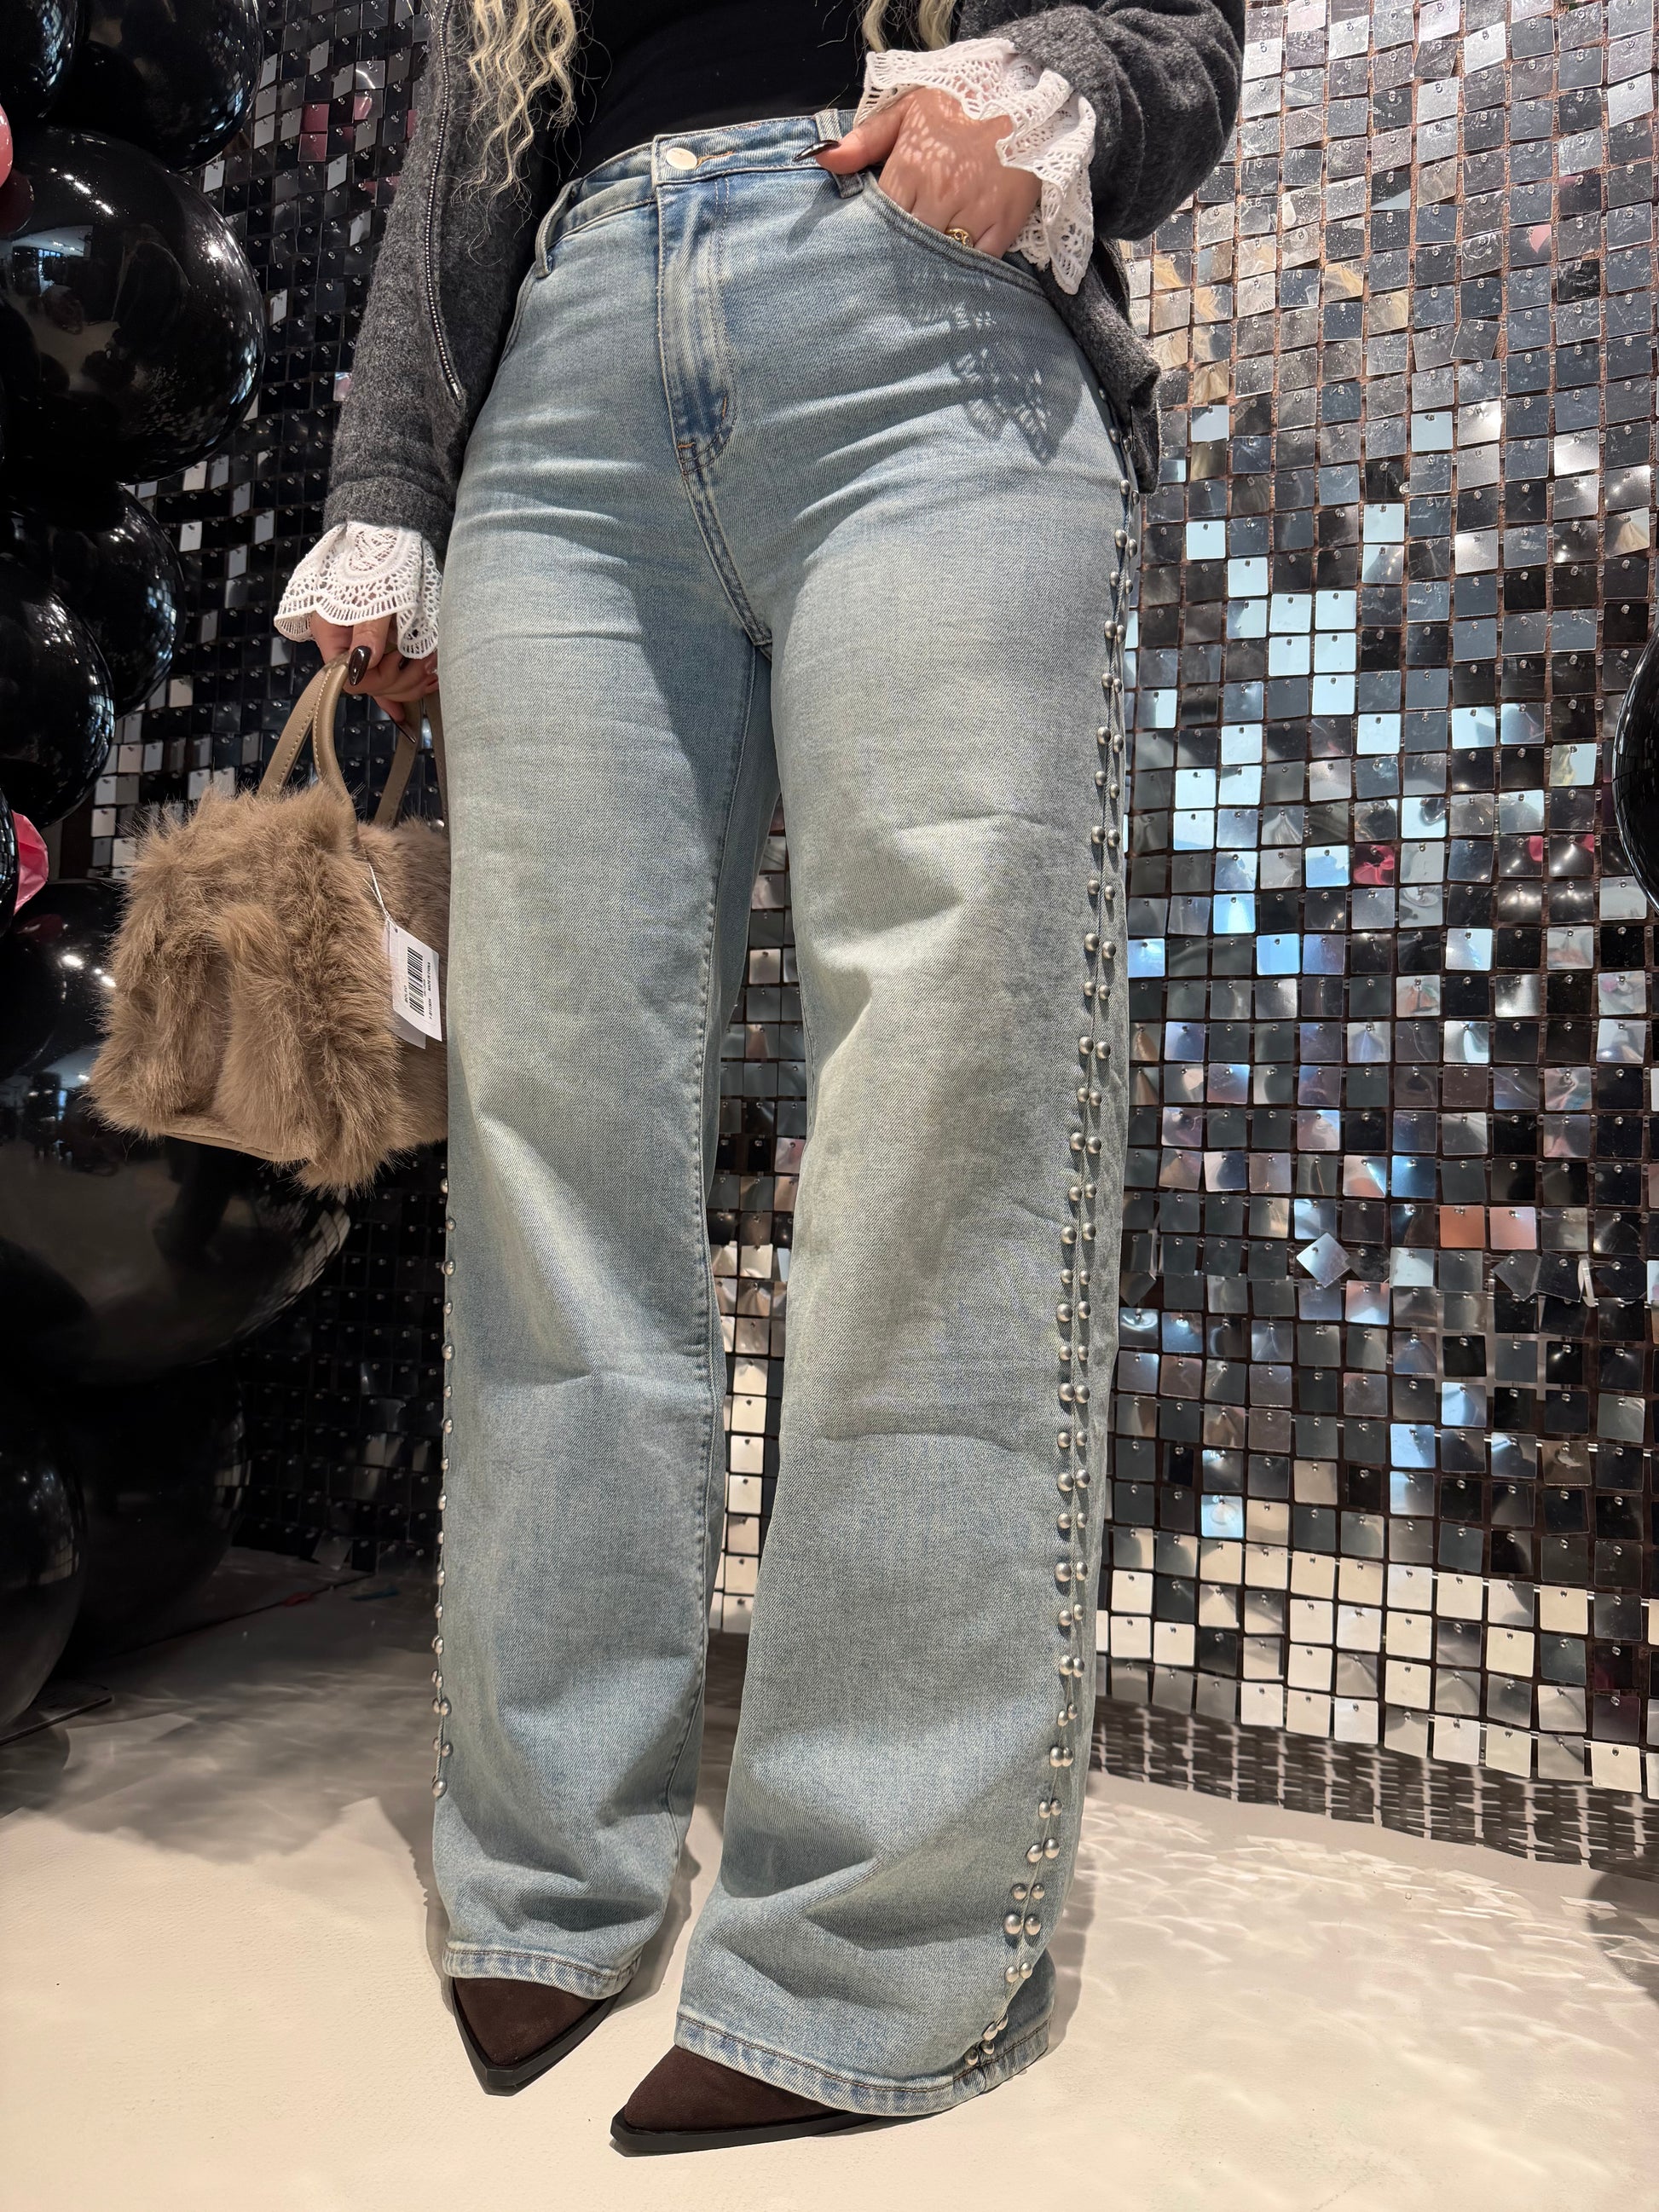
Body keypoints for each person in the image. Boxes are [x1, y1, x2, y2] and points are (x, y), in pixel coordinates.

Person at [276, 0, 1242, 2155]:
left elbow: (1188, 20)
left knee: (945, 1128)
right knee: (550, 1136)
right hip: (567, 377)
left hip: (920, 307)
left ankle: (873, 1937)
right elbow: (460, 148)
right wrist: (390, 489)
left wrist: (1067, 90)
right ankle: (546, 1859)